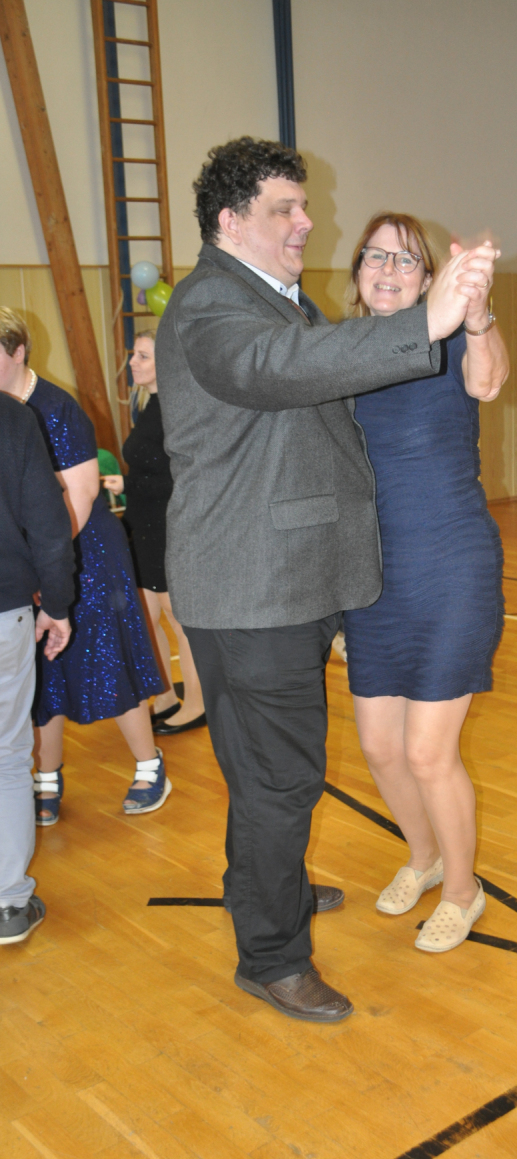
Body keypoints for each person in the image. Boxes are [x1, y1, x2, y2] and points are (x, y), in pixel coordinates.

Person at [156, 137, 497, 1023]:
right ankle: (272, 956)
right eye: (285, 208)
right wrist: (424, 320)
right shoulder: (213, 304)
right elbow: (280, 370)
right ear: (231, 222)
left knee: (264, 773)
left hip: (293, 582)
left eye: (304, 206)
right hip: (254, 587)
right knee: (280, 779)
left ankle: (268, 891)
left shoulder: (280, 301)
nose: (307, 221)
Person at [342, 213, 508, 953]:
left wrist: (476, 314)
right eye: (375, 257)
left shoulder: (450, 344)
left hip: (450, 565)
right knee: (380, 746)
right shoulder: (342, 354)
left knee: (427, 753)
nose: (388, 270)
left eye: (406, 260)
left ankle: (463, 892)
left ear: (428, 279)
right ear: (356, 272)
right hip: (374, 575)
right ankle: (424, 856)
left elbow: (490, 381)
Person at [0, 308, 171, 821]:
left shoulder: (56, 408)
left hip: (88, 553)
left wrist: (42, 565)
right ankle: (46, 777)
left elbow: (80, 496)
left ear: (18, 352)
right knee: (43, 669)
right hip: (35, 556)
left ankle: (150, 765)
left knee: (107, 658)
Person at [103, 331, 206, 734]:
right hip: (142, 526)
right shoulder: (150, 406)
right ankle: (164, 696)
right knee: (146, 618)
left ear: (166, 362)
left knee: (179, 623)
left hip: (166, 527)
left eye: (143, 356)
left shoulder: (177, 408)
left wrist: (127, 484)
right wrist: (126, 486)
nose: (133, 362)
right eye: (134, 355)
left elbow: (182, 477)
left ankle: (196, 704)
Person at [0, 391, 74, 944]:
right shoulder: (9, 417)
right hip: (4, 613)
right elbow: (48, 522)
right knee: (6, 755)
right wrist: (57, 603)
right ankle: (7, 903)